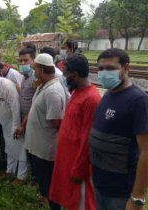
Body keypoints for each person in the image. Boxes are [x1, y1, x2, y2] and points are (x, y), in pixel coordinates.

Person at [89, 49, 148, 210]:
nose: (104, 73)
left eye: (110, 68)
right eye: (101, 68)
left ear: (126, 68)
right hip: (100, 185)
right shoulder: (108, 95)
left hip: (121, 192)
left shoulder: (139, 101)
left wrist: (137, 198)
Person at [49, 54, 101, 210]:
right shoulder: (76, 92)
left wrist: (79, 170)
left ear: (75, 75)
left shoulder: (91, 99)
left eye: (65, 73)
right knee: (69, 199)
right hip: (67, 158)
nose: (63, 77)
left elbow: (88, 139)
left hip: (77, 163)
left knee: (81, 202)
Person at [24, 53, 65, 210]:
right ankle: (45, 201)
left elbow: (57, 123)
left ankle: (55, 207)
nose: (34, 72)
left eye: (35, 69)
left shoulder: (52, 92)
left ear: (41, 70)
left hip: (46, 149)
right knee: (43, 180)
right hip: (38, 146)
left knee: (50, 183)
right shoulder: (43, 86)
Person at [13, 47, 37, 185]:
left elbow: (34, 104)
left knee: (33, 151)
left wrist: (23, 124)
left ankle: (35, 179)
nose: (22, 63)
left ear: (33, 60)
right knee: (28, 149)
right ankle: (32, 175)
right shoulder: (24, 77)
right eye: (20, 61)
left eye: (25, 60)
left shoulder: (36, 79)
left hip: (31, 121)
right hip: (24, 119)